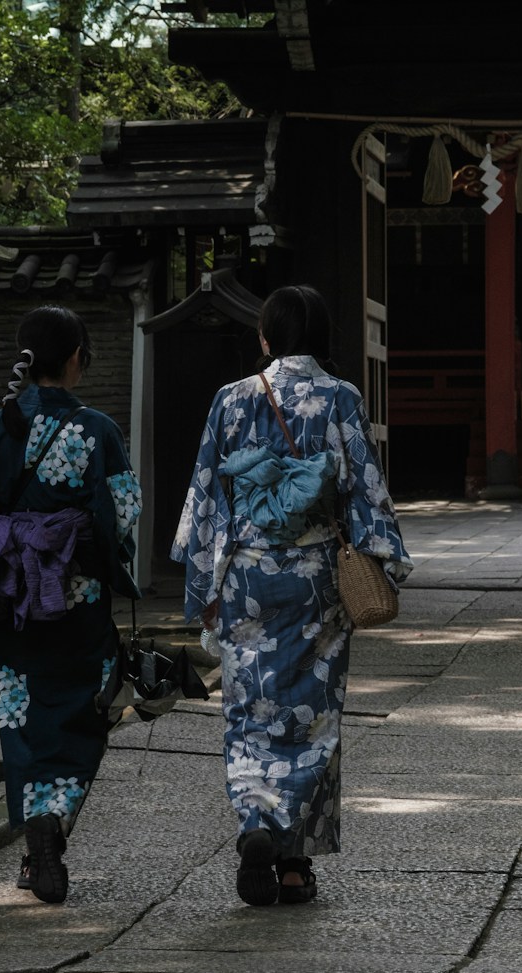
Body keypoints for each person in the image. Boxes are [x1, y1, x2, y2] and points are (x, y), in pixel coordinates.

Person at [171, 283, 413, 906]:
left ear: (265, 339)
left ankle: (257, 823)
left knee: (250, 712)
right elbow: (364, 487)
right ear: (323, 340)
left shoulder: (231, 399)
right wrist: (385, 557)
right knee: (312, 717)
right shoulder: (340, 398)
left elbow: (206, 496)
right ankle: (295, 863)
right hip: (314, 582)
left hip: (247, 577)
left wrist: (203, 586)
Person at [0, 304, 143, 904]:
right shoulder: (96, 430)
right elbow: (123, 514)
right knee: (87, 702)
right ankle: (54, 815)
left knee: (19, 707)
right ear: (77, 358)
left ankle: (35, 831)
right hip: (74, 595)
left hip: (14, 599)